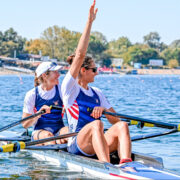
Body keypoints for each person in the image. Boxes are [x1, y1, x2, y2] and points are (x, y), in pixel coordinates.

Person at [61, 0, 132, 164]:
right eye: (94, 70)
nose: (97, 73)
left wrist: (105, 111)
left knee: (123, 127)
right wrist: (89, 22)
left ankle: (127, 163)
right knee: (96, 125)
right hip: (78, 143)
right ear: (83, 71)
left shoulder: (97, 93)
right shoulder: (69, 88)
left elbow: (116, 121)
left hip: (97, 142)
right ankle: (107, 167)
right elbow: (80, 54)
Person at [22, 61, 68, 145]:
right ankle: (55, 144)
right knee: (48, 136)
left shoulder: (62, 90)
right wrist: (38, 114)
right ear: (44, 75)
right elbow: (25, 124)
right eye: (55, 72)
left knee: (69, 131)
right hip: (40, 131)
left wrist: (69, 107)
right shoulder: (32, 94)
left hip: (59, 129)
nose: (59, 75)